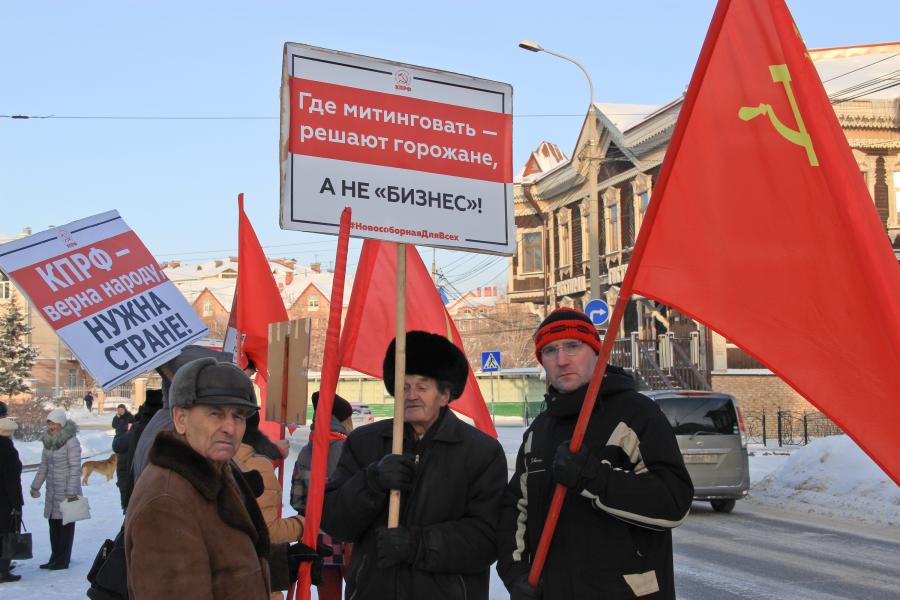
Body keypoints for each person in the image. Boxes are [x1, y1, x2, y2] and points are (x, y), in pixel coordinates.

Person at [497, 308, 694, 599]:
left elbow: (673, 502)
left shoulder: (637, 415)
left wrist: (592, 477)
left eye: (573, 346)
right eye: (550, 351)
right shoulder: (539, 431)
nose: (562, 360)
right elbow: (516, 508)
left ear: (596, 352)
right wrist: (516, 575)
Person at [322, 331, 507, 600]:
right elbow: (334, 521)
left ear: (445, 395)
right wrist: (372, 482)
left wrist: (416, 545)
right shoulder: (364, 443)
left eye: (422, 387)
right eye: (403, 386)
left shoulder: (481, 452)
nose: (411, 396)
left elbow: (488, 539)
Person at [124, 357, 322, 599]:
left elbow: (222, 563)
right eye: (215, 414)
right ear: (181, 419)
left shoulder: (214, 471)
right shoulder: (168, 501)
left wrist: (283, 565)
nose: (230, 427)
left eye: (238, 416)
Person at [291, 391, 354, 600]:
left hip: (317, 538)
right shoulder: (350, 448)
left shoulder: (305, 452)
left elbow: (296, 501)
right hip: (349, 538)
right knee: (359, 591)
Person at [234, 411, 304, 600]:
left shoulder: (217, 458)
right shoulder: (259, 465)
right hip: (255, 573)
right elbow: (268, 531)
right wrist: (302, 524)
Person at [30, 408, 82, 571]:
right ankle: (55, 557)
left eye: (54, 423)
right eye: (49, 423)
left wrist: (72, 491)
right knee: (53, 525)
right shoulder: (48, 441)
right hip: (52, 490)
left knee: (65, 526)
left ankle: (62, 560)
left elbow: (75, 467)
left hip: (67, 491)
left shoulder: (71, 441)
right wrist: (35, 486)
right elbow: (43, 466)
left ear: (61, 423)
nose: (52, 427)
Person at [0, 417, 24, 583]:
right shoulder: (8, 450)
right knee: (6, 534)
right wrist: (17, 503)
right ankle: (3, 570)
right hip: (5, 501)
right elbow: (12, 480)